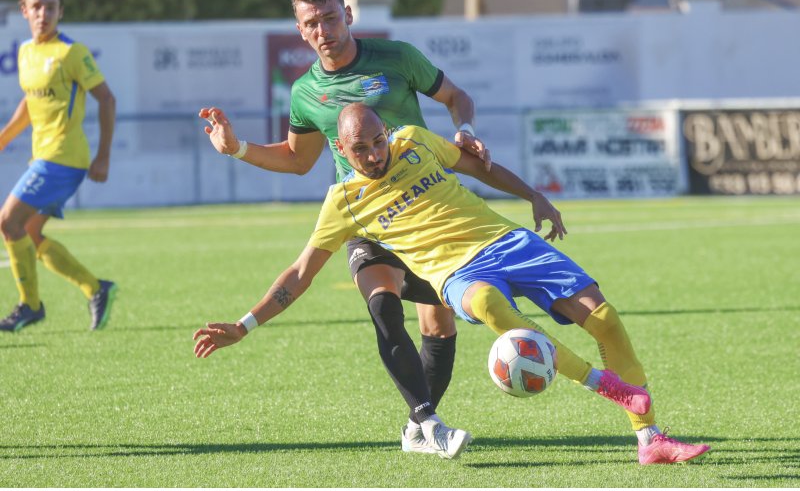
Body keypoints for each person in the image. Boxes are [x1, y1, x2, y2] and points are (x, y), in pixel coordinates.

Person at [194, 103, 711, 464]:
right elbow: (300, 273)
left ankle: (650, 440)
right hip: (459, 274)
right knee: (490, 308)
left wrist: (535, 195)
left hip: (509, 241)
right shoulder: (342, 203)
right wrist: (245, 324)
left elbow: (479, 167)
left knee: (606, 319)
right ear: (340, 149)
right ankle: (607, 387)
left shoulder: (416, 141)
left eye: (379, 141)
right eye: (362, 149)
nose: (376, 154)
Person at [199, 0, 490, 455]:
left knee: (438, 328)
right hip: (365, 220)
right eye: (311, 23)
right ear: (300, 29)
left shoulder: (397, 57)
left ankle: (417, 427)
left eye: (331, 18)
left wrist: (464, 129)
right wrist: (238, 148)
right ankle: (430, 421)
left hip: (425, 212)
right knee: (382, 305)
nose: (323, 30)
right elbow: (297, 160)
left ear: (348, 16)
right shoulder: (306, 93)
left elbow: (457, 97)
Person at [0, 0, 117, 332]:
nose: (43, 13)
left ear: (60, 12)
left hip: (64, 159)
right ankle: (96, 288)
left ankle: (30, 306)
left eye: (50, 8)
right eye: (36, 7)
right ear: (24, 11)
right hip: (43, 158)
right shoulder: (25, 52)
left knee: (7, 221)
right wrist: (4, 137)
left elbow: (107, 99)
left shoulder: (71, 52)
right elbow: (30, 102)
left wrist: (103, 157)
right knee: (30, 235)